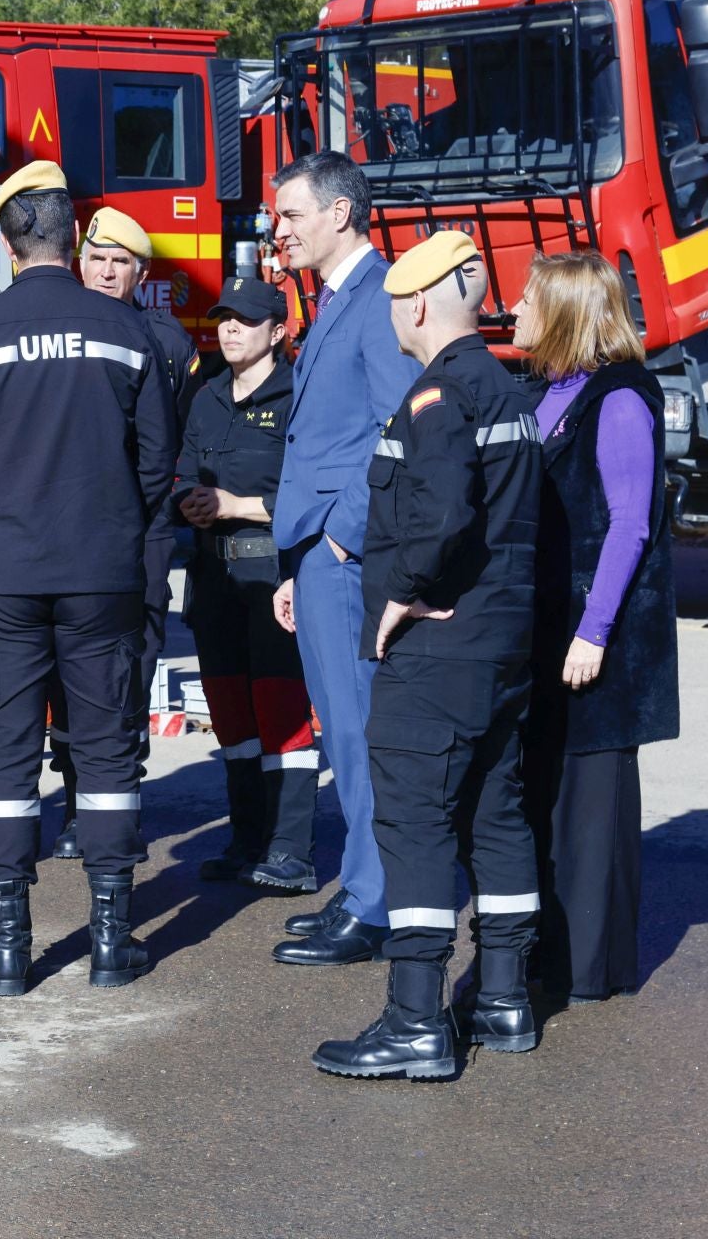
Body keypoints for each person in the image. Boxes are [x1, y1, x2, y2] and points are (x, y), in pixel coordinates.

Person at [0, 160, 176, 996]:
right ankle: (109, 940)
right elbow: (155, 467)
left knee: (7, 755)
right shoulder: (126, 333)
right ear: (75, 237)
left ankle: (7, 951)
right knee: (105, 752)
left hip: (4, 579)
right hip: (103, 575)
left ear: (6, 241)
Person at [311, 230, 545, 1081]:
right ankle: (505, 999)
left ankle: (415, 1020)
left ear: (413, 305)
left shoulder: (437, 395)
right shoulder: (509, 389)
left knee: (413, 822)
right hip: (501, 646)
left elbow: (442, 512)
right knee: (495, 812)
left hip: (439, 651)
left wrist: (405, 587)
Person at [266, 152, 422, 967]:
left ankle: (376, 902)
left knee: (358, 735)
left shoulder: (378, 298)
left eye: (291, 215)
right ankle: (364, 885)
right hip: (319, 552)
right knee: (343, 732)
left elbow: (398, 430)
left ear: (340, 213)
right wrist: (301, 560)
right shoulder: (336, 300)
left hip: (344, 550)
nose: (278, 230)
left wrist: (341, 538)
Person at [512, 252, 680, 1005]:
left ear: (568, 312)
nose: (515, 308)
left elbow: (628, 528)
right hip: (546, 633)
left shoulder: (618, 400)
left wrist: (594, 630)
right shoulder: (549, 391)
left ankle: (589, 971)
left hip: (595, 643)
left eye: (528, 298)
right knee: (549, 799)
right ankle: (551, 954)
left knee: (591, 813)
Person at [47, 207, 201, 862]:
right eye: (98, 259)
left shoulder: (168, 343)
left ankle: (119, 806)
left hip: (140, 531)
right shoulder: (52, 330)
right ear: (79, 262)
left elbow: (187, 439)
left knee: (130, 668)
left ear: (140, 274)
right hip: (64, 526)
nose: (108, 272)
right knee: (64, 670)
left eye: (121, 263)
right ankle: (80, 804)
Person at [170, 276, 322, 891]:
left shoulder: (297, 399)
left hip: (270, 572)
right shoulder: (206, 396)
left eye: (245, 320)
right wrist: (190, 501)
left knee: (281, 711)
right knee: (232, 714)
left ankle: (291, 852)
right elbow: (182, 470)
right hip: (213, 577)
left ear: (278, 332)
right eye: (224, 318)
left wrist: (237, 503)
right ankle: (247, 838)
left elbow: (312, 491)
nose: (229, 328)